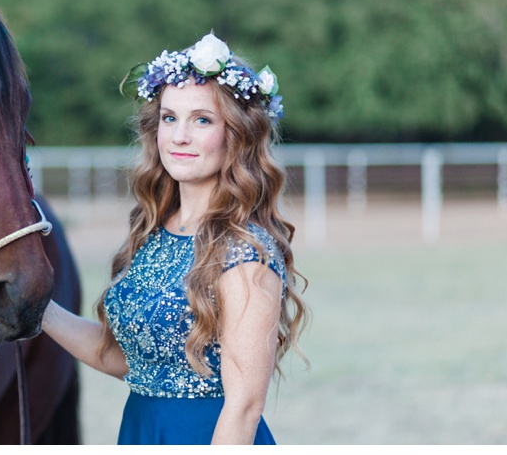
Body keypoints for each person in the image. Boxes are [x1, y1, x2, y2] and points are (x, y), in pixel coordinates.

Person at [42, 32, 309, 445]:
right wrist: (40, 311)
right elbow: (124, 358)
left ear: (236, 135)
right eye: (170, 118)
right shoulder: (152, 233)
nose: (179, 136)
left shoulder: (246, 252)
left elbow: (244, 407)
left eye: (202, 120)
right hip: (142, 433)